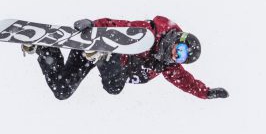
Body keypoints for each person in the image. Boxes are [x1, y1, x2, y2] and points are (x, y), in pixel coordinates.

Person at [21, 16, 229, 100]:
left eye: (181, 58)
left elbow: (186, 81)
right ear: (177, 39)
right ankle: (103, 54)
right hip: (103, 54)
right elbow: (117, 25)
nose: (176, 55)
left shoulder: (167, 64)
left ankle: (45, 49)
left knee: (62, 91)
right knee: (114, 87)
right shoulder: (150, 32)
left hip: (93, 55)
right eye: (180, 50)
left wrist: (206, 92)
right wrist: (93, 25)